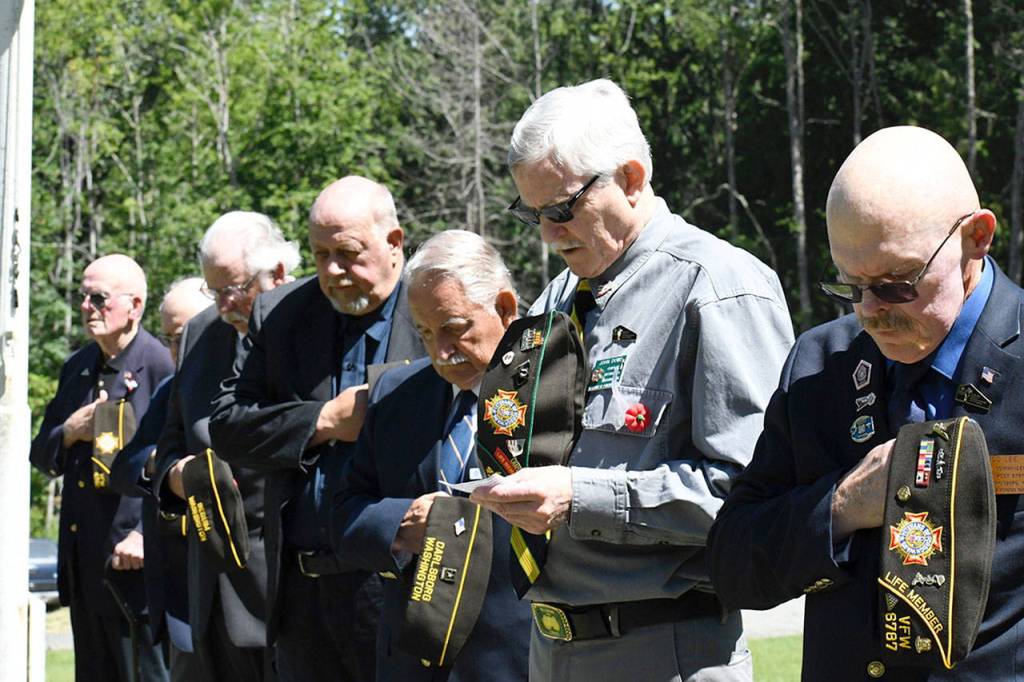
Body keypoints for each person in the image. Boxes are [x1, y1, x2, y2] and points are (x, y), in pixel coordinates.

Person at [469, 78, 794, 681]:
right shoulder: (557, 298)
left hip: (666, 648)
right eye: (532, 212)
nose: (546, 233)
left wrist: (577, 497)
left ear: (632, 177)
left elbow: (753, 496)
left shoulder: (718, 286)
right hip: (549, 650)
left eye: (562, 209)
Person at [707, 125, 1024, 680]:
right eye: (850, 285)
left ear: (977, 237)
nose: (871, 311)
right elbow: (734, 563)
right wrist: (840, 506)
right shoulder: (817, 367)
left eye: (899, 282)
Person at [209, 176, 425, 682]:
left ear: (394, 243)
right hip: (303, 593)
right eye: (319, 253)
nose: (332, 270)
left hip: (404, 587)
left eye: (348, 253)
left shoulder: (434, 306)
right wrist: (323, 422)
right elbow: (227, 425)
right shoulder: (283, 313)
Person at [332, 230, 531, 681]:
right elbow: (344, 516)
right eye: (423, 333)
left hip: (520, 658)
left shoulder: (554, 390)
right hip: (414, 660)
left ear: (503, 308)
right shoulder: (395, 395)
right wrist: (402, 524)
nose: (440, 353)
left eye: (454, 329)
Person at [153, 212, 300, 680]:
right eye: (214, 292)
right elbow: (171, 442)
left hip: (286, 591)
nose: (223, 305)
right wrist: (176, 476)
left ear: (276, 273)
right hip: (209, 586)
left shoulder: (312, 324)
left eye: (233, 288)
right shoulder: (200, 335)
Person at [30, 254, 175, 682]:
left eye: (99, 297)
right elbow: (41, 454)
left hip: (136, 569)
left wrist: (146, 533)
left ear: (134, 306)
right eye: (83, 297)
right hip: (85, 564)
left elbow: (183, 457)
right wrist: (70, 432)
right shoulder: (77, 368)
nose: (87, 307)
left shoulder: (161, 365)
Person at [110, 277, 212, 682]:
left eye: (185, 336)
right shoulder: (171, 388)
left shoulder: (249, 382)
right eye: (170, 339)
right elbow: (125, 466)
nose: (177, 351)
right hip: (178, 588)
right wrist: (165, 466)